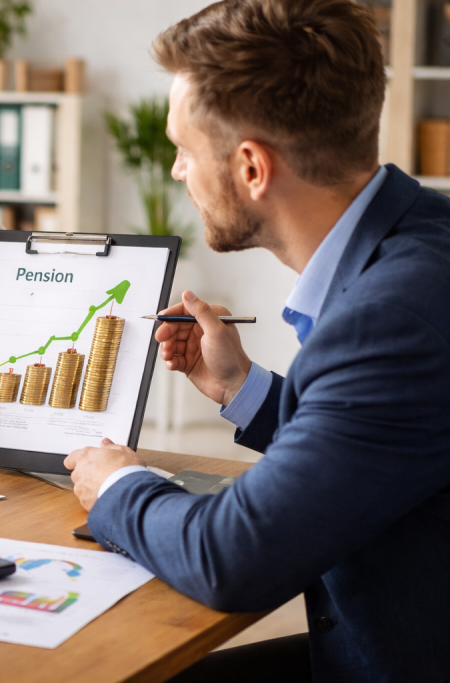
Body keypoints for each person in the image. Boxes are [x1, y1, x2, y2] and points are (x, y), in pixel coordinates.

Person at [64, 1, 450, 681]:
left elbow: (230, 558)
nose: (179, 172)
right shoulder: (422, 236)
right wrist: (242, 388)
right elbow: (366, 451)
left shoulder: (390, 317)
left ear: (250, 168)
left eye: (184, 150)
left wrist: (117, 482)